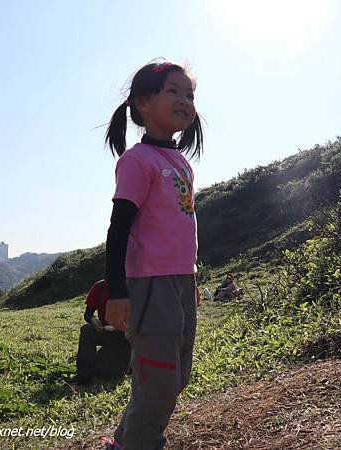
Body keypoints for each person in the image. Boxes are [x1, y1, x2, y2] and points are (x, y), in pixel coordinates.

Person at [102, 60, 204, 450]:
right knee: (158, 377)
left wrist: (190, 280)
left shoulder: (180, 163)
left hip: (181, 282)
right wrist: (116, 291)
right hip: (150, 284)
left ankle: (125, 441)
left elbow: (180, 230)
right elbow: (119, 229)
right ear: (143, 103)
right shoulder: (137, 161)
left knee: (175, 375)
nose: (185, 101)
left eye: (190, 95)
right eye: (173, 92)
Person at [70, 279, 131, 386]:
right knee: (87, 329)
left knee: (109, 373)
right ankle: (83, 375)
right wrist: (93, 320)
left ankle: (129, 365)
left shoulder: (136, 286)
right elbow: (88, 314)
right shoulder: (100, 286)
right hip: (106, 332)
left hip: (127, 338)